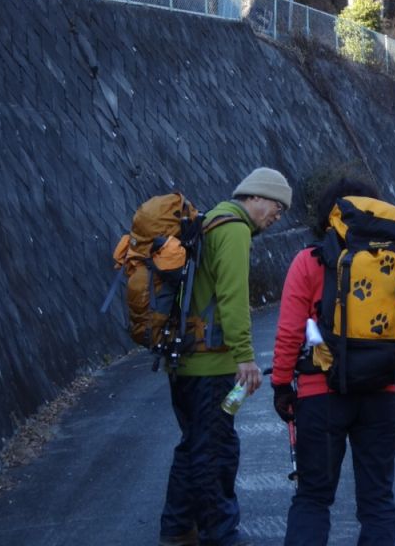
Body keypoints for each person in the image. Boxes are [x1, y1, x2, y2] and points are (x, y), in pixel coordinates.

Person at [270, 178, 395, 546]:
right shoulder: (394, 265)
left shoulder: (310, 261)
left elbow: (290, 332)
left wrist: (280, 385)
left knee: (312, 498)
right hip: (382, 395)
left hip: (321, 395)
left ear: (328, 215)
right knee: (377, 502)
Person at [160, 167, 293, 546]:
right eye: (275, 206)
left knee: (194, 445)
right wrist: (245, 357)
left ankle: (177, 528)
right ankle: (221, 534)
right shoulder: (233, 230)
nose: (277, 216)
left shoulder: (209, 222)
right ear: (254, 197)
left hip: (185, 360)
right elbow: (234, 299)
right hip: (211, 364)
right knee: (216, 450)